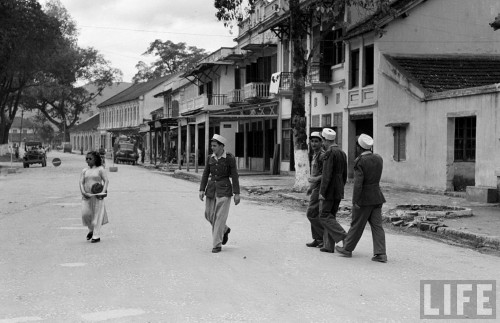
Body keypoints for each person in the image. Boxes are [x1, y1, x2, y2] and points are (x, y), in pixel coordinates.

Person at [336, 134, 388, 263]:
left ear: (359, 147)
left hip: (364, 198)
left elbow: (358, 184)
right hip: (377, 196)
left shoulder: (360, 161)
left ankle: (347, 249)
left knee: (357, 225)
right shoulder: (378, 158)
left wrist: (355, 200)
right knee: (377, 226)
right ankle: (381, 253)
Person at [199, 134, 240, 253]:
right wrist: (202, 189)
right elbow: (205, 174)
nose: (212, 148)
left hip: (225, 191)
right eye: (211, 146)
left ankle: (216, 244)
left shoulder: (229, 158)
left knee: (219, 218)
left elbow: (235, 176)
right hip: (211, 190)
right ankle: (225, 229)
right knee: (208, 214)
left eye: (214, 146)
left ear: (222, 146)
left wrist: (237, 193)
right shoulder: (209, 158)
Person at [318, 128, 348, 253]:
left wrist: (322, 192)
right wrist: (341, 187)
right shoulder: (342, 152)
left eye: (322, 140)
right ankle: (328, 245)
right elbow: (345, 174)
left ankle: (344, 236)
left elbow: (326, 175)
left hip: (329, 190)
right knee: (332, 216)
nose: (322, 144)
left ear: (325, 140)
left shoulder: (329, 153)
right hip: (339, 188)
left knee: (324, 216)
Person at [80, 151, 109, 243]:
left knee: (97, 216)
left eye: (90, 158)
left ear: (95, 159)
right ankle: (91, 230)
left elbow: (106, 181)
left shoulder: (100, 169)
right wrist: (83, 192)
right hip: (87, 196)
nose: (88, 160)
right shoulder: (85, 170)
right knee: (85, 214)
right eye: (87, 159)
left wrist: (102, 193)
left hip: (97, 196)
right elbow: (81, 182)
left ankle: (96, 236)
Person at [305, 131, 326, 248]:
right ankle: (317, 239)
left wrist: (315, 180)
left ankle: (323, 238)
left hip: (320, 188)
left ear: (321, 142)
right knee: (314, 213)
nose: (313, 144)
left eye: (316, 141)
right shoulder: (315, 155)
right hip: (315, 188)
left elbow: (326, 174)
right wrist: (310, 187)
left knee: (311, 214)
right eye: (312, 141)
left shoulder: (322, 155)